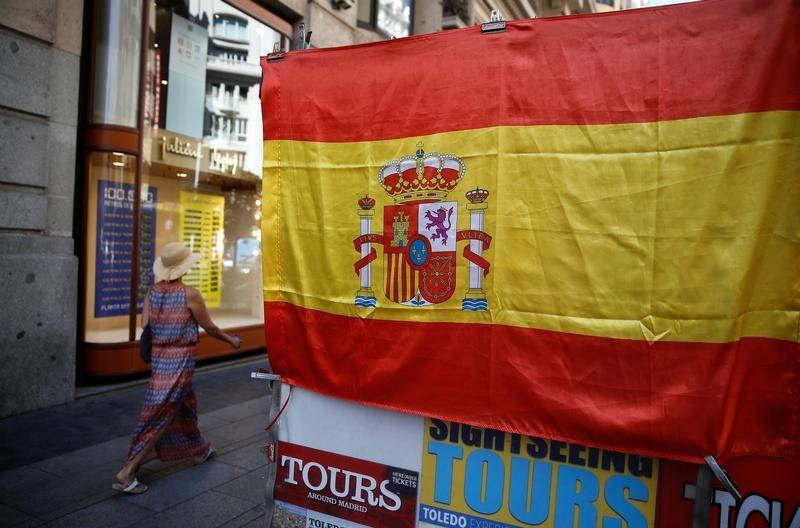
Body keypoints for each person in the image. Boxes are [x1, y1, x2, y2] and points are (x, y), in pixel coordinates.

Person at [113, 242, 243, 494]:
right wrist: (231, 341)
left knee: (184, 406)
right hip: (180, 360)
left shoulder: (152, 292)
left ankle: (200, 450)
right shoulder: (189, 294)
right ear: (184, 268)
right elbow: (210, 327)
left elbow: (145, 324)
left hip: (160, 359)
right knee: (161, 414)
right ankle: (127, 472)